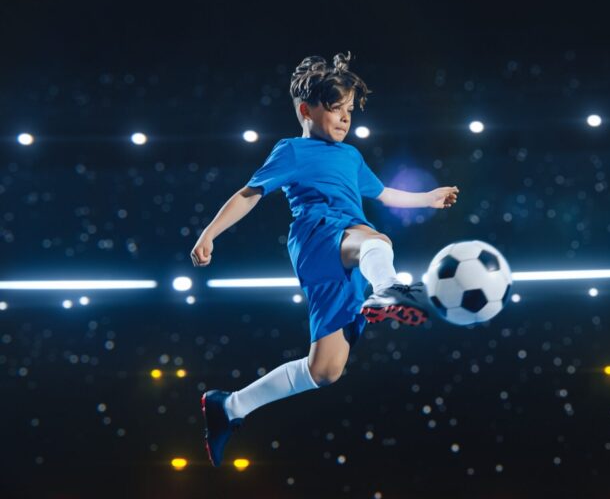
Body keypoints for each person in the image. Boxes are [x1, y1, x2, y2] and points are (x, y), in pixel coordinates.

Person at [190, 52, 459, 466]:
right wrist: (209, 233)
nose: (345, 117)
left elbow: (384, 193)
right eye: (335, 108)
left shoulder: (351, 156)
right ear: (306, 111)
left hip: (347, 257)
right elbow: (249, 193)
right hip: (319, 234)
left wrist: (428, 198)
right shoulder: (293, 150)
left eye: (349, 110)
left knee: (326, 370)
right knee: (376, 240)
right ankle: (388, 288)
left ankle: (230, 405)